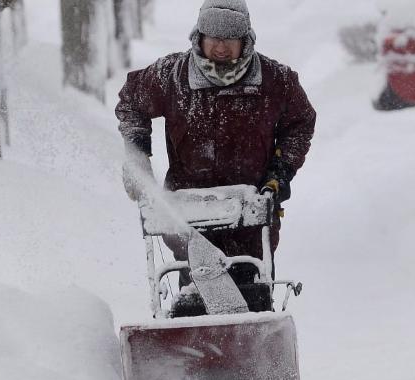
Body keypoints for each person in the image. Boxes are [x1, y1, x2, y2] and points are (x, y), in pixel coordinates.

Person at [115, 0, 316, 306]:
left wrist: (280, 173)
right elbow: (131, 101)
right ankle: (191, 342)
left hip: (252, 212)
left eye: (229, 40)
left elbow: (300, 124)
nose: (221, 49)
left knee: (252, 296)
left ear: (245, 40)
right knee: (194, 299)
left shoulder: (276, 81)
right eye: (214, 40)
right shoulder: (173, 77)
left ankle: (255, 342)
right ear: (200, 38)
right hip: (188, 217)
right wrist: (138, 158)